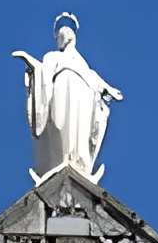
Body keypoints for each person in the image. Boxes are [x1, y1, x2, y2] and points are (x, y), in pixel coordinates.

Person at [12, 15, 123, 184]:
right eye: (58, 35)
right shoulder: (52, 57)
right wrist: (31, 64)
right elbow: (42, 72)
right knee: (61, 124)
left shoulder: (82, 64)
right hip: (61, 90)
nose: (60, 38)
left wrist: (108, 89)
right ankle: (60, 161)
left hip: (83, 95)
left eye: (63, 33)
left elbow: (94, 79)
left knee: (79, 128)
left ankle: (78, 166)